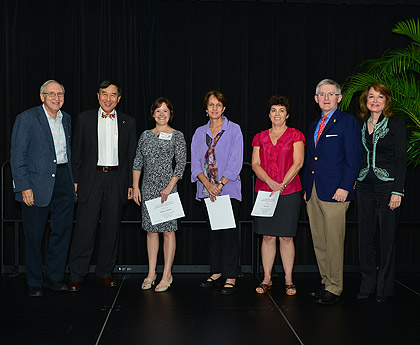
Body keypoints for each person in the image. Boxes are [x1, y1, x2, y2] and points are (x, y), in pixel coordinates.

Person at [67, 80, 137, 292]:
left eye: (113, 95)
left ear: (119, 98)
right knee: (84, 229)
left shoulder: (129, 122)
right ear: (98, 96)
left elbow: (131, 156)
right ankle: (77, 274)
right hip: (91, 179)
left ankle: (105, 272)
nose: (108, 98)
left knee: (111, 229)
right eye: (104, 94)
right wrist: (76, 181)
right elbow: (77, 153)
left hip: (116, 180)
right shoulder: (85, 118)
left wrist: (131, 184)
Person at [10, 80, 76, 297]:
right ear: (42, 96)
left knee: (62, 232)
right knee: (34, 235)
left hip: (64, 180)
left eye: (60, 94)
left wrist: (72, 181)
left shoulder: (66, 119)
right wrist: (24, 186)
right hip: (36, 184)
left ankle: (54, 278)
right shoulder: (27, 118)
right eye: (51, 94)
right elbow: (17, 156)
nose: (56, 98)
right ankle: (35, 281)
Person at [303, 79, 361, 304]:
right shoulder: (313, 125)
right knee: (319, 240)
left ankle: (335, 287)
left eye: (331, 94)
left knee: (334, 241)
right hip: (314, 191)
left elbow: (353, 158)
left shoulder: (347, 122)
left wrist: (346, 187)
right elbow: (311, 160)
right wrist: (308, 189)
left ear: (339, 98)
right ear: (316, 99)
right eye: (322, 94)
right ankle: (325, 281)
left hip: (336, 191)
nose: (326, 98)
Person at [356, 83, 406, 303]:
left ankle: (384, 289)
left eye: (380, 97)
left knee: (387, 239)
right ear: (365, 100)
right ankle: (368, 285)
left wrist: (398, 190)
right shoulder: (360, 123)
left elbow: (401, 159)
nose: (375, 100)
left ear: (386, 101)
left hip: (388, 188)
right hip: (364, 187)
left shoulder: (396, 122)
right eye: (371, 97)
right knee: (365, 238)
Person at [191, 90, 243, 295]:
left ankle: (230, 275)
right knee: (214, 234)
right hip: (206, 190)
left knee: (229, 234)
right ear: (206, 109)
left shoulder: (234, 130)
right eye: (211, 105)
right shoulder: (199, 132)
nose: (214, 108)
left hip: (228, 190)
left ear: (224, 108)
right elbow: (195, 163)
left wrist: (219, 185)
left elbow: (236, 162)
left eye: (218, 105)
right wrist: (208, 185)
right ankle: (216, 272)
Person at [252, 95, 305, 295]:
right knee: (267, 236)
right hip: (265, 191)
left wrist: (281, 184)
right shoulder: (259, 137)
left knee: (286, 237)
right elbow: (255, 164)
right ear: (269, 114)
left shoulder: (296, 135)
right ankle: (266, 278)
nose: (277, 114)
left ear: (287, 115)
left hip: (289, 191)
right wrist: (270, 182)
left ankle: (288, 280)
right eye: (274, 110)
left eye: (281, 110)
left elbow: (298, 163)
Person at [132, 97, 187, 292]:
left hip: (168, 190)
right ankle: (151, 272)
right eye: (158, 111)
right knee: (151, 231)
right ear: (152, 114)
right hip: (147, 189)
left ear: (170, 114)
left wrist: (169, 187)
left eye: (165, 111)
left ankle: (167, 274)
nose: (161, 114)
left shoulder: (177, 135)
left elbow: (180, 164)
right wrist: (136, 186)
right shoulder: (145, 135)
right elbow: (138, 161)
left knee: (168, 231)